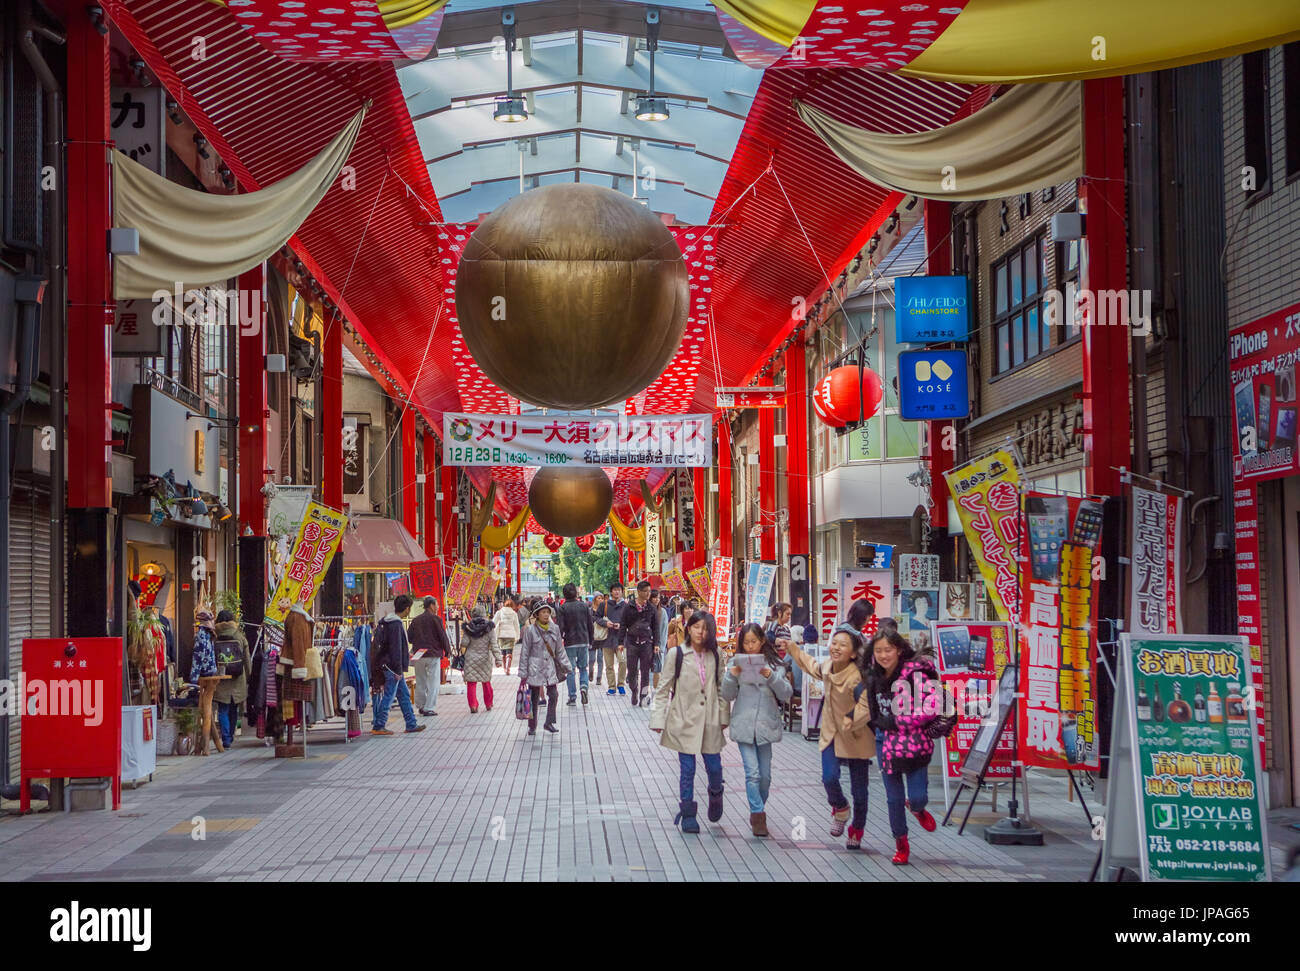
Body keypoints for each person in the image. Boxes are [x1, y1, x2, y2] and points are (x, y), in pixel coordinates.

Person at [785, 623, 875, 850]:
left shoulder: (858, 677)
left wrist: (851, 719)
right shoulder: (828, 667)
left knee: (860, 790)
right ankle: (840, 808)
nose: (836, 648)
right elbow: (812, 666)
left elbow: (866, 705)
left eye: (843, 645)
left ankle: (857, 828)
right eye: (834, 643)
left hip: (856, 736)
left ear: (854, 653)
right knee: (829, 778)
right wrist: (794, 649)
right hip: (832, 734)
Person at [650, 610, 729, 834]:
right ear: (689, 627)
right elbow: (663, 688)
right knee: (687, 769)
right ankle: (687, 813)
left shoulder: (716, 654)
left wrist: (724, 716)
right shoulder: (677, 654)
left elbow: (722, 687)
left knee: (714, 768)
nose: (700, 632)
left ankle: (716, 793)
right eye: (696, 627)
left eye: (705, 628)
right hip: (682, 719)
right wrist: (658, 718)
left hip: (710, 722)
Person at [866, 629, 940, 864]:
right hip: (886, 745)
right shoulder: (874, 677)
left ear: (898, 649)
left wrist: (901, 721)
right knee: (893, 798)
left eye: (888, 650)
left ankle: (917, 808)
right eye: (878, 650)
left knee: (918, 796)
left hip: (916, 746)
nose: (883, 655)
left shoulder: (915, 674)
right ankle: (901, 843)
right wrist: (876, 723)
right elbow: (872, 710)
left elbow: (934, 702)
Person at [722, 622, 793, 837]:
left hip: (765, 724)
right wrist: (731, 675)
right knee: (752, 773)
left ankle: (759, 806)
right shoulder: (736, 662)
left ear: (762, 641)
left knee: (765, 776)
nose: (750, 646)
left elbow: (787, 694)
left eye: (754, 641)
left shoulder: (776, 664)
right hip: (744, 723)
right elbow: (727, 695)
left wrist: (771, 675)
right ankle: (757, 814)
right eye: (746, 642)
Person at [371, 594, 426, 736]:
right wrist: (397, 669)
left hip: (390, 665)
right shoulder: (395, 624)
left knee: (404, 695)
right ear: (407, 608)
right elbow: (396, 648)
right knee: (389, 696)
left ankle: (411, 723)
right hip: (393, 667)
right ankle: (379, 724)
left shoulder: (387, 622)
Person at [517, 601, 570, 735]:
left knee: (554, 694)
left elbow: (560, 650)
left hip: (550, 667)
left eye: (547, 612)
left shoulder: (555, 629)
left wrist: (567, 666)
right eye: (543, 612)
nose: (546, 615)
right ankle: (532, 726)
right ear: (537, 615)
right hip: (534, 667)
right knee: (533, 697)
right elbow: (524, 652)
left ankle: (549, 722)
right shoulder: (530, 631)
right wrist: (523, 672)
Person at [212, 609, 251, 748]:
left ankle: (226, 739)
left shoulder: (215, 637)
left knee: (222, 709)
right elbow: (247, 659)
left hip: (221, 677)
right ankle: (231, 736)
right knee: (234, 708)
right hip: (237, 677)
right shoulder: (239, 636)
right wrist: (249, 675)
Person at [408, 596, 451, 716]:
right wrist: (447, 651)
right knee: (433, 682)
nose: (437, 607)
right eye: (436, 604)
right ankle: (429, 707)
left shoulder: (416, 620)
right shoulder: (435, 619)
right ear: (431, 605)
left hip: (419, 654)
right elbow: (442, 636)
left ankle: (421, 705)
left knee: (420, 680)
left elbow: (410, 637)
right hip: (433, 654)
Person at [622, 580, 660, 707]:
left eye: (649, 591)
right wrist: (620, 642)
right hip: (632, 643)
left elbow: (656, 627)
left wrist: (656, 644)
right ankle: (634, 690)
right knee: (632, 672)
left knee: (645, 673)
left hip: (647, 644)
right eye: (645, 591)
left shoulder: (652, 608)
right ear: (638, 592)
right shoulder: (629, 607)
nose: (648, 594)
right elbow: (623, 625)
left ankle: (643, 697)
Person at [557, 583, 595, 706]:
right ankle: (584, 687)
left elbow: (560, 627)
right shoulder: (584, 606)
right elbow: (590, 624)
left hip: (569, 642)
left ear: (564, 594)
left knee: (570, 670)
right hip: (583, 640)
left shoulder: (562, 608)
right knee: (583, 668)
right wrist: (591, 640)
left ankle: (572, 696)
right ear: (576, 593)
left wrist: (559, 642)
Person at [459, 605, 502, 713]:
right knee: (486, 682)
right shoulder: (489, 628)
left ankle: (473, 706)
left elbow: (464, 643)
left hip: (470, 658)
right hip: (484, 658)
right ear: (484, 614)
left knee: (471, 683)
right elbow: (494, 644)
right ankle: (488, 704)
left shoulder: (468, 628)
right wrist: (498, 659)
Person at [596, 583, 627, 696]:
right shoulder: (604, 605)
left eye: (619, 590)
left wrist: (621, 625)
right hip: (607, 639)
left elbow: (630, 621)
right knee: (609, 665)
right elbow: (596, 617)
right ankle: (612, 687)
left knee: (623, 662)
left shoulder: (626, 605)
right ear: (611, 592)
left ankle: (621, 685)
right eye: (614, 590)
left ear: (622, 591)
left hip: (621, 640)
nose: (617, 592)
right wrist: (605, 623)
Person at [493, 598, 521, 676]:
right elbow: (517, 625)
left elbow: (493, 622)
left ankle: (504, 668)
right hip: (511, 635)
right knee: (509, 652)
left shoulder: (499, 612)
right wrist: (517, 636)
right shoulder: (514, 613)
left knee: (503, 652)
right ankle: (508, 668)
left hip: (501, 635)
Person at [650, 589, 670, 694]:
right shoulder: (646, 610)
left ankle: (656, 691)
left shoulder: (662, 612)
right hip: (646, 645)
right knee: (647, 670)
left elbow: (664, 631)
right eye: (654, 597)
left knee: (657, 669)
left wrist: (661, 647)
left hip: (658, 647)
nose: (657, 600)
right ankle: (648, 691)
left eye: (658, 598)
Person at [190, 609, 218, 682]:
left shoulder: (201, 634)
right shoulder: (209, 634)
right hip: (212, 671)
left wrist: (193, 678)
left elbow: (198, 656)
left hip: (204, 673)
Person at [589, 592, 607, 684]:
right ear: (595, 599)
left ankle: (599, 677)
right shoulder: (590, 610)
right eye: (599, 598)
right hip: (592, 637)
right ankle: (591, 672)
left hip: (602, 636)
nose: (600, 600)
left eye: (602, 598)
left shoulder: (605, 610)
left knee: (600, 658)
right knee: (591, 659)